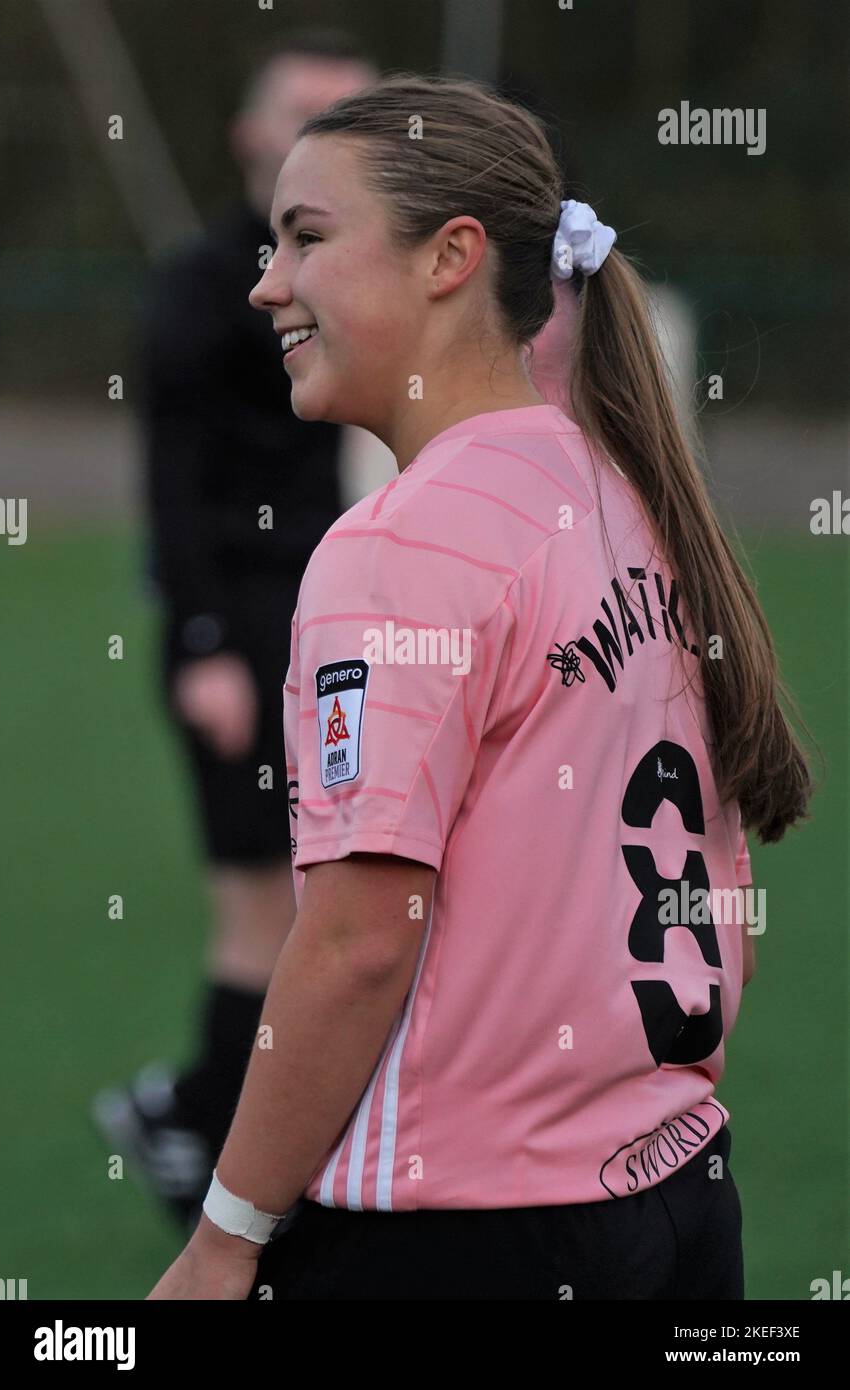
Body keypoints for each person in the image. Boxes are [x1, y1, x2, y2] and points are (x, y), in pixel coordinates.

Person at [147, 73, 811, 1301]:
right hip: (674, 1198)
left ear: (450, 256)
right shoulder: (630, 500)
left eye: (307, 238)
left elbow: (354, 941)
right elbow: (731, 926)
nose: (265, 283)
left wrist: (226, 1234)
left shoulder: (401, 544)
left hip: (463, 1230)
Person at [92, 29, 379, 1231]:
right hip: (235, 631)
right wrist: (205, 641)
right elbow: (169, 486)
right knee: (266, 912)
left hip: (324, 621)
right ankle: (207, 1140)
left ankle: (211, 1128)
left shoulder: (349, 277)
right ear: (251, 138)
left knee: (323, 907)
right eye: (306, 117)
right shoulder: (205, 289)